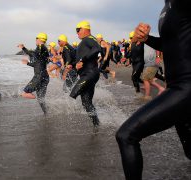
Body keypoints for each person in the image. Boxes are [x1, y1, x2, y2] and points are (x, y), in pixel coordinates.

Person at [116, 1, 191, 179]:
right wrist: (146, 39)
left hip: (186, 87)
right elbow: (170, 44)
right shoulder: (167, 5)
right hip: (177, 87)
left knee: (126, 135)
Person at [70, 20, 101, 128]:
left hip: (90, 73)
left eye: (78, 30)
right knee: (86, 102)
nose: (77, 33)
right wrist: (73, 65)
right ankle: (97, 124)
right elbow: (80, 60)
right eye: (76, 30)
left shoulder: (89, 39)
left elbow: (97, 48)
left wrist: (82, 59)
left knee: (73, 93)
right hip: (87, 74)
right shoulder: (84, 41)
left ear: (85, 29)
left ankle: (65, 117)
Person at [17, 32, 50, 114]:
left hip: (39, 76)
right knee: (41, 99)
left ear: (39, 39)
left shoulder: (41, 47)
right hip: (44, 76)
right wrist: (28, 63)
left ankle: (28, 95)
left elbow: (32, 54)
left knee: (25, 93)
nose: (35, 40)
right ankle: (46, 113)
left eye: (36, 39)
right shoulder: (43, 49)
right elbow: (38, 64)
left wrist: (23, 48)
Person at [130, 31, 145, 95]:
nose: (131, 39)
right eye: (130, 38)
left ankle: (138, 92)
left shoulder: (142, 42)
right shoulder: (132, 44)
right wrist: (127, 60)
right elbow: (132, 54)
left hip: (140, 62)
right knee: (137, 78)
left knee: (133, 77)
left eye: (131, 37)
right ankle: (146, 83)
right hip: (134, 63)